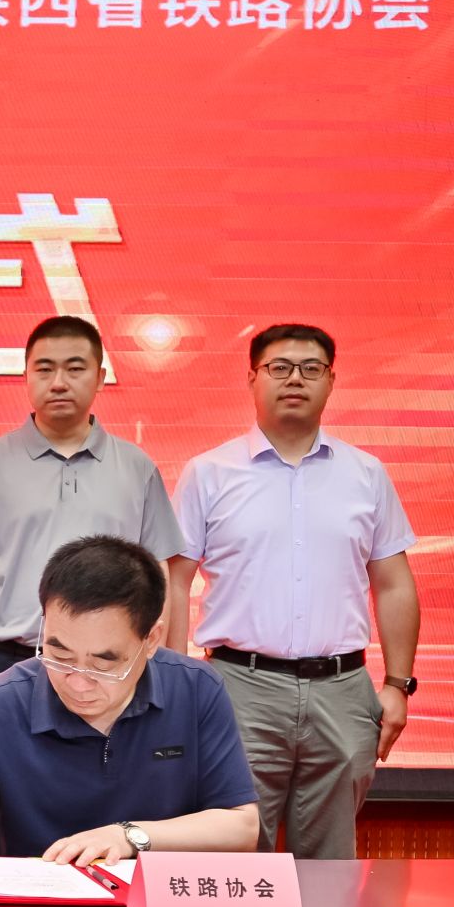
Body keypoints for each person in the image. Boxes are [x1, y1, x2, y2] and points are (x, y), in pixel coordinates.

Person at [167, 323, 419, 859]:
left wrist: (398, 685)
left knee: (330, 861)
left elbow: (394, 581)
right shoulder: (208, 473)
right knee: (231, 850)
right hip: (239, 688)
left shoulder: (366, 474)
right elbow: (176, 579)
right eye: (279, 367)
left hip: (342, 690)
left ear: (331, 381)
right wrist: (176, 680)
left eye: (311, 368)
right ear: (252, 379)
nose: (295, 379)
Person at [0, 315, 184, 851]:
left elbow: (160, 573)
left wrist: (165, 665)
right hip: (6, 664)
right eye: (44, 369)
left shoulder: (136, 467)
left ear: (100, 376)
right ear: (26, 376)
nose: (58, 382)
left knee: (103, 815)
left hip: (108, 672)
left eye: (75, 368)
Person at [0, 536, 257, 868]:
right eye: (60, 656)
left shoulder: (195, 690)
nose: (79, 683)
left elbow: (241, 826)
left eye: (103, 664)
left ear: (151, 640)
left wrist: (128, 836)